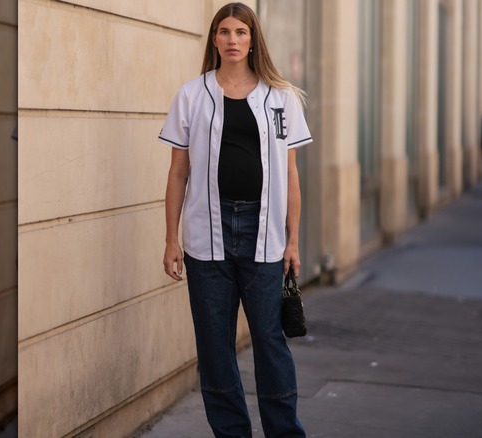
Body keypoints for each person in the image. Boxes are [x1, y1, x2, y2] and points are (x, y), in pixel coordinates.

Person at [158, 3, 312, 437]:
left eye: (240, 31)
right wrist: (171, 240)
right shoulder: (192, 95)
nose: (232, 39)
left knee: (269, 341)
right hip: (206, 234)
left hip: (264, 234)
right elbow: (177, 173)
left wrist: (293, 240)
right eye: (224, 31)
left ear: (252, 38)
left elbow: (291, 173)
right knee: (214, 347)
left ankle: (284, 432)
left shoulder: (280, 97)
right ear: (214, 39)